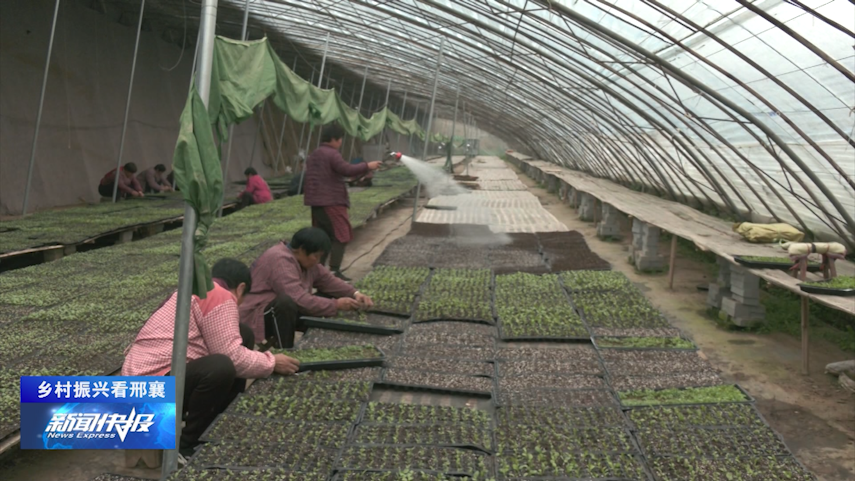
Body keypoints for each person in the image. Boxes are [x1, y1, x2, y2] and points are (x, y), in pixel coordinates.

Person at [122, 258, 300, 459]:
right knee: (221, 366)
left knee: (243, 334)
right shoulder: (217, 294)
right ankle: (186, 444)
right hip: (151, 389)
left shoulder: (194, 289)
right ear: (241, 288)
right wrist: (272, 362)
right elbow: (232, 357)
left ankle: (218, 422)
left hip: (143, 379)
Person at [239, 227, 374, 348]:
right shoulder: (280, 260)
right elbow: (297, 298)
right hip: (258, 314)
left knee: (326, 295)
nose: (318, 261)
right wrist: (335, 305)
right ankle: (286, 351)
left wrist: (355, 293)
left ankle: (321, 339)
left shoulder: (305, 261)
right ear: (302, 250)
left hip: (285, 310)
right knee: (285, 303)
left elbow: (327, 280)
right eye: (316, 256)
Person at [303, 124, 382, 280]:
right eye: (339, 139)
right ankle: (333, 270)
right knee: (342, 235)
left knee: (323, 237)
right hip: (331, 201)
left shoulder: (314, 155)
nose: (340, 142)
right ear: (333, 139)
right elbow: (346, 169)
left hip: (316, 203)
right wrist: (368, 166)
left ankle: (318, 271)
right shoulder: (332, 154)